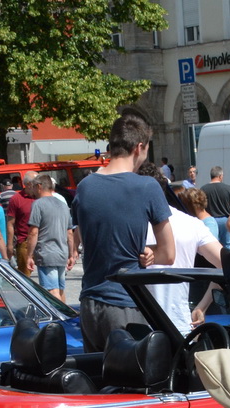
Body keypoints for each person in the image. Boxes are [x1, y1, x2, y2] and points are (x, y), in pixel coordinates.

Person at [73, 113, 174, 351]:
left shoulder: (85, 187)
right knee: (131, 380)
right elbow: (169, 254)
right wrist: (151, 254)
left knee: (99, 379)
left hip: (89, 303)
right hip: (126, 302)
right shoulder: (147, 187)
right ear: (139, 147)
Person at [147, 176, 222, 333]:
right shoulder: (191, 224)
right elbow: (229, 265)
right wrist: (203, 306)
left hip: (138, 328)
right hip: (180, 324)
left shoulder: (128, 225)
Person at [27, 175, 73, 303]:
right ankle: (66, 319)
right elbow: (69, 233)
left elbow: (33, 232)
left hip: (47, 253)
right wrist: (71, 254)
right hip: (62, 253)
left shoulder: (38, 204)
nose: (33, 191)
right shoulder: (63, 205)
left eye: (34, 188)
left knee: (52, 292)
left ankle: (58, 320)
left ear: (39, 186)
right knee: (60, 290)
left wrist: (29, 255)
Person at [5, 177, 36, 275]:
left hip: (43, 241)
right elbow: (10, 223)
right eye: (36, 182)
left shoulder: (41, 197)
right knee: (25, 277)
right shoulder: (16, 199)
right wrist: (9, 245)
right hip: (24, 242)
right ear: (28, 184)